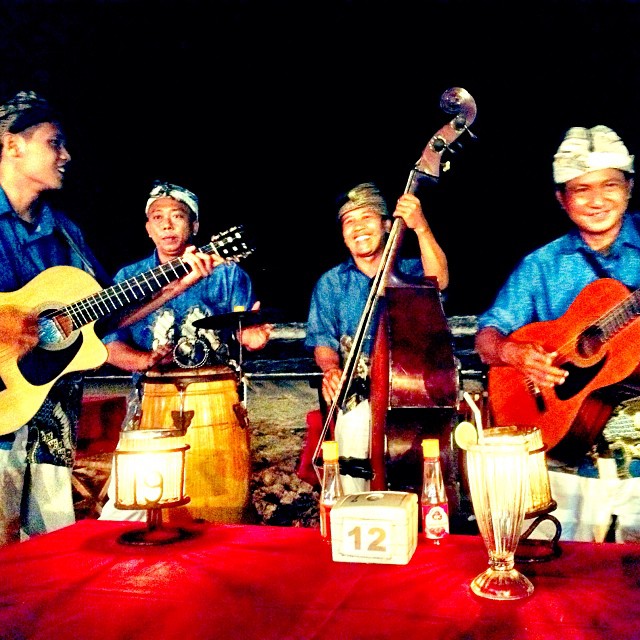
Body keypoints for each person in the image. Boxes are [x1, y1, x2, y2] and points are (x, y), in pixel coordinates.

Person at [0, 91, 217, 545]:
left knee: (50, 540)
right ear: (13, 145)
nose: (66, 155)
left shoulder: (65, 232)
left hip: (50, 408)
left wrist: (175, 285)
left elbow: (101, 317)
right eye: (54, 143)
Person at [475, 124, 640, 542]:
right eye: (581, 189)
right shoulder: (540, 265)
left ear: (629, 188)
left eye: (610, 185)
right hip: (563, 434)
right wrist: (515, 354)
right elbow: (487, 337)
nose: (598, 200)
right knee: (568, 559)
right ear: (562, 200)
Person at [99, 180, 271, 521]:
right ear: (148, 229)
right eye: (158, 217)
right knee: (131, 506)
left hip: (216, 398)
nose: (167, 224)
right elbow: (108, 345)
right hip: (149, 397)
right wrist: (142, 360)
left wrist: (250, 338)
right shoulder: (129, 277)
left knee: (216, 503)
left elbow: (242, 332)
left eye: (177, 216)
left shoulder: (227, 274)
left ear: (194, 226)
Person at [304, 182, 449, 493]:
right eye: (349, 221)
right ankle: (354, 516)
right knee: (354, 429)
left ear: (386, 224)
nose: (358, 227)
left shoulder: (410, 272)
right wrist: (330, 369)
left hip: (412, 392)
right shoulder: (331, 283)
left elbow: (440, 280)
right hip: (359, 391)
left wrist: (420, 227)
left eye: (367, 217)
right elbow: (323, 343)